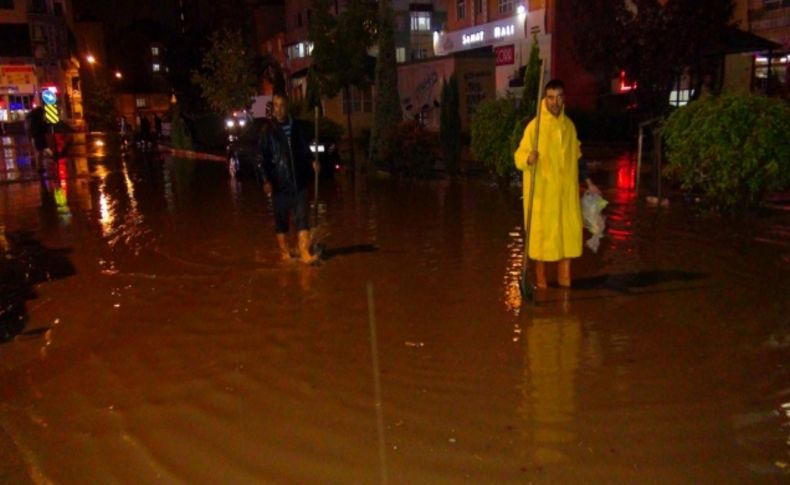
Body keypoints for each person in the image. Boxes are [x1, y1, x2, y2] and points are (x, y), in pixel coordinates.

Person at [514, 79, 600, 289]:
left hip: (565, 195)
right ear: (545, 99)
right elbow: (518, 156)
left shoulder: (569, 127)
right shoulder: (534, 127)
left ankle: (565, 282)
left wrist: (589, 182)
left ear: (563, 99)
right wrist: (528, 158)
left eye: (559, 97)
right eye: (551, 97)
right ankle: (541, 283)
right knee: (541, 241)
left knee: (567, 239)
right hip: (542, 197)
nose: (555, 102)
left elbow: (578, 158)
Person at [256, 92, 320, 264]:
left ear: (287, 106)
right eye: (276, 105)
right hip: (279, 185)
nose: (279, 109)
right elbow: (261, 159)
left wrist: (312, 162)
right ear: (273, 107)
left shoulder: (296, 128)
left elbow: (305, 150)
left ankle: (304, 252)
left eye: (282, 105)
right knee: (281, 221)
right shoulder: (267, 131)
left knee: (302, 218)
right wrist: (265, 181)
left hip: (299, 182)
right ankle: (285, 253)